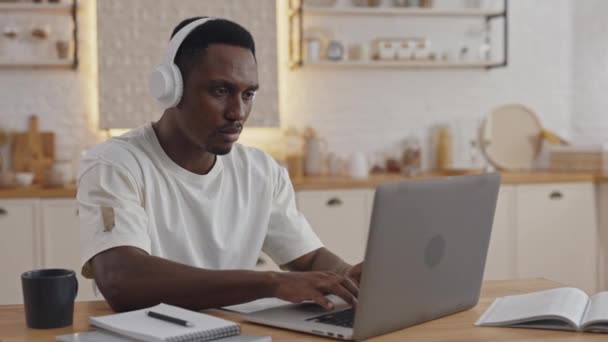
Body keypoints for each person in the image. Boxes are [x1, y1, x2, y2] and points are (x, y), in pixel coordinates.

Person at [77, 17, 361, 313]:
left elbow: (309, 260)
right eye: (220, 91)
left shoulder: (261, 171)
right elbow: (121, 280)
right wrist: (270, 283)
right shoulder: (114, 164)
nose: (237, 112)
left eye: (248, 94)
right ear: (171, 88)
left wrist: (351, 279)